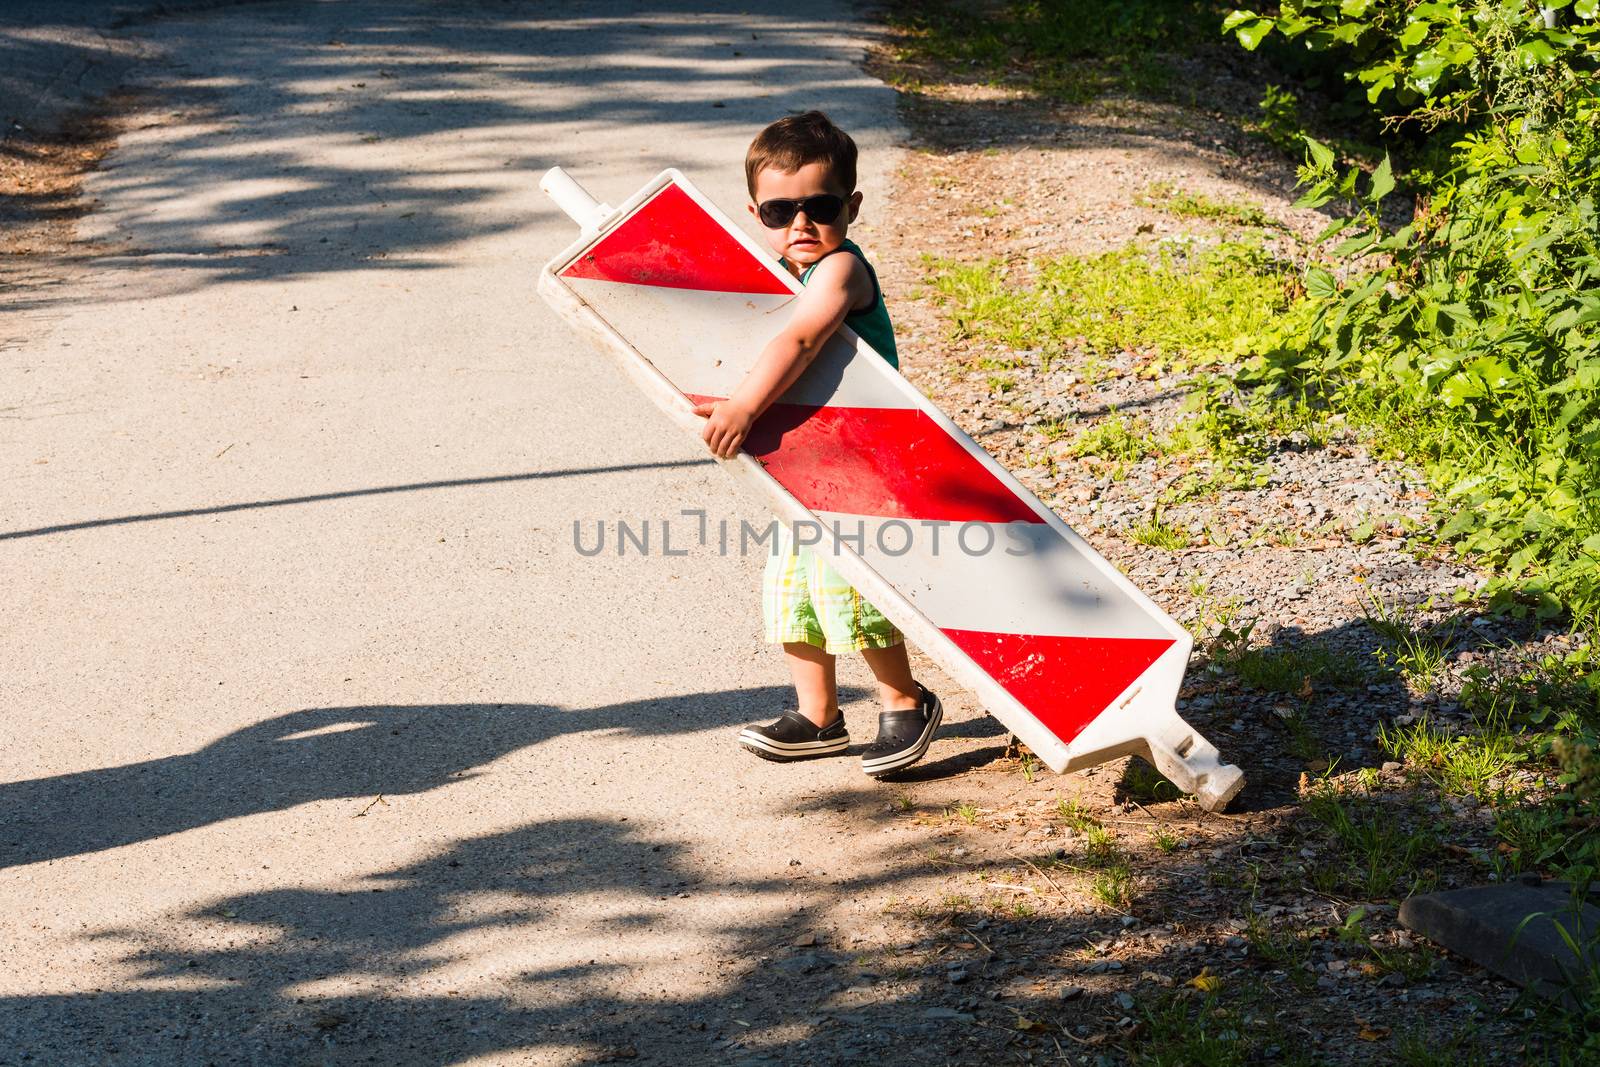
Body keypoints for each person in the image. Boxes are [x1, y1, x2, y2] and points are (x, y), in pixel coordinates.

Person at [692, 111, 942, 778]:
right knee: (793, 589)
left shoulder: (840, 271)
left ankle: (903, 701)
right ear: (757, 212)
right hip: (808, 465)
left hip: (862, 462)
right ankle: (819, 715)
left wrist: (744, 404)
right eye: (780, 210)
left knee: (852, 589)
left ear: (851, 207)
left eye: (820, 206)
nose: (799, 224)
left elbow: (801, 340)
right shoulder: (781, 272)